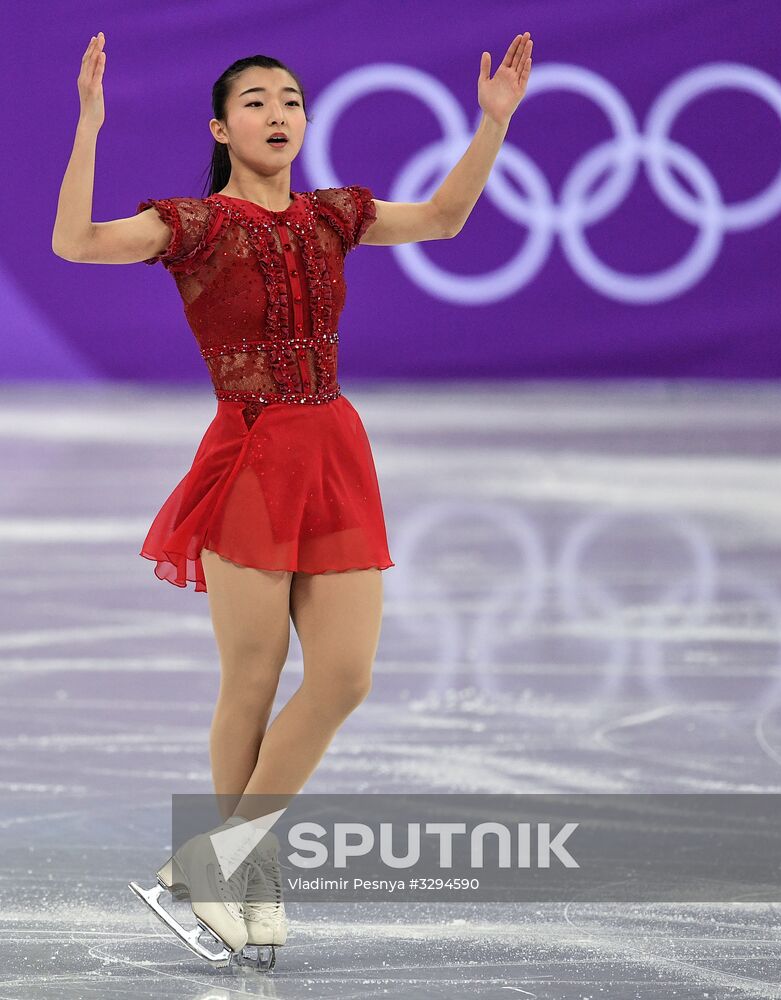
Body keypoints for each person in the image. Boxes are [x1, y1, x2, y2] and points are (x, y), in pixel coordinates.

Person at [53, 29, 533, 969]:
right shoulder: (193, 224)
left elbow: (443, 218)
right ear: (223, 128)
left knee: (346, 675)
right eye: (257, 102)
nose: (279, 113)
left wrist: (494, 125)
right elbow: (73, 243)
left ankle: (218, 860)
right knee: (255, 676)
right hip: (252, 454)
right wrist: (90, 126)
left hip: (334, 449)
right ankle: (245, 876)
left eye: (292, 101)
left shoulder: (333, 215)